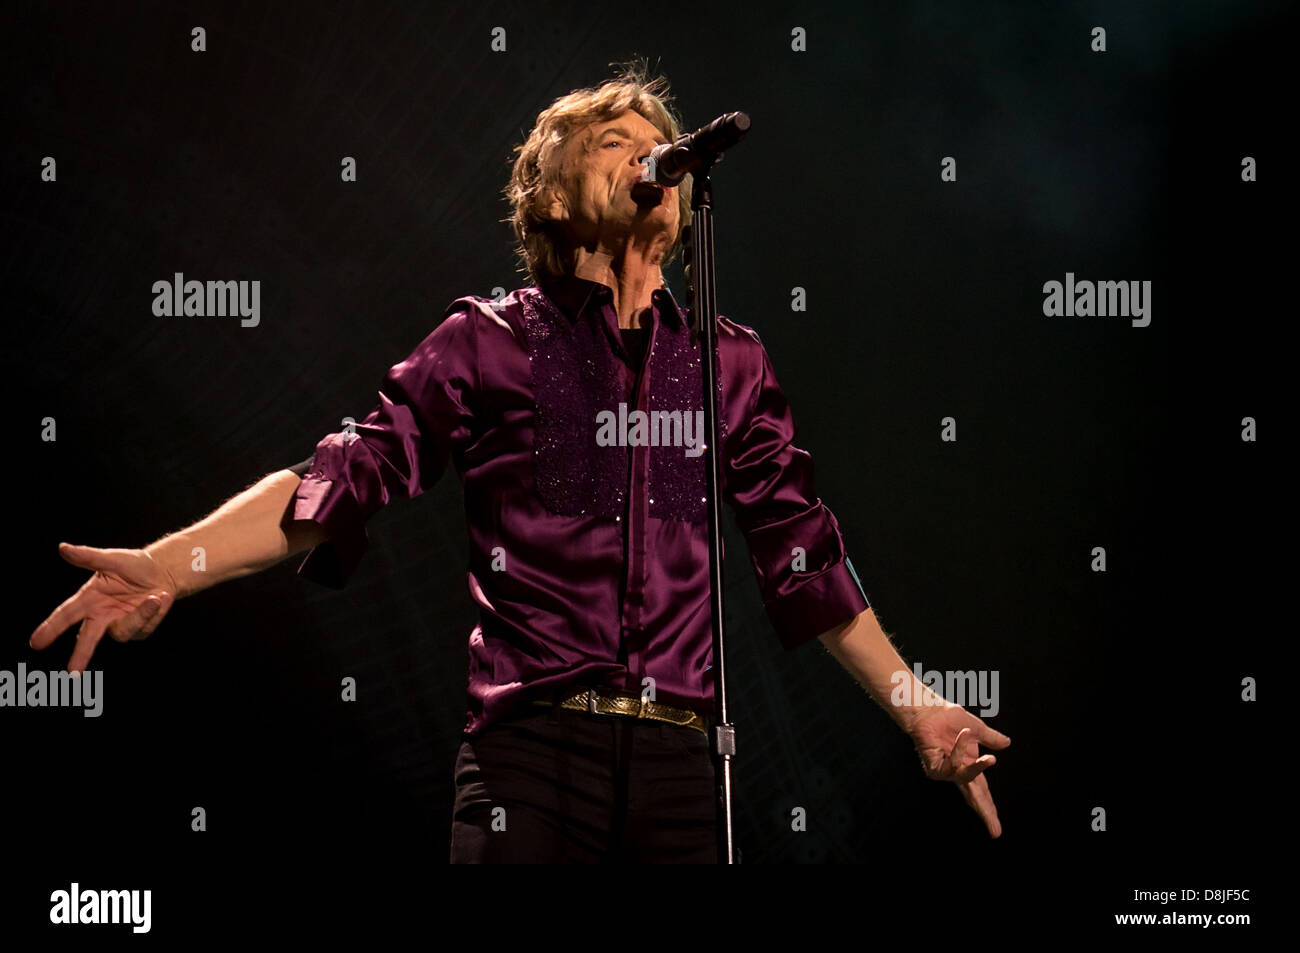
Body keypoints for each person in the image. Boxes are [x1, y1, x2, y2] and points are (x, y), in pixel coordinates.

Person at [29, 62, 1009, 863]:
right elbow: (338, 478)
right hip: (529, 761)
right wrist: (170, 562)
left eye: (654, 137)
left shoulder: (730, 360)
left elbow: (802, 552)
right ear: (551, 194)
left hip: (684, 762)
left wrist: (918, 707)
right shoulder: (487, 342)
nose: (647, 154)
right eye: (614, 144)